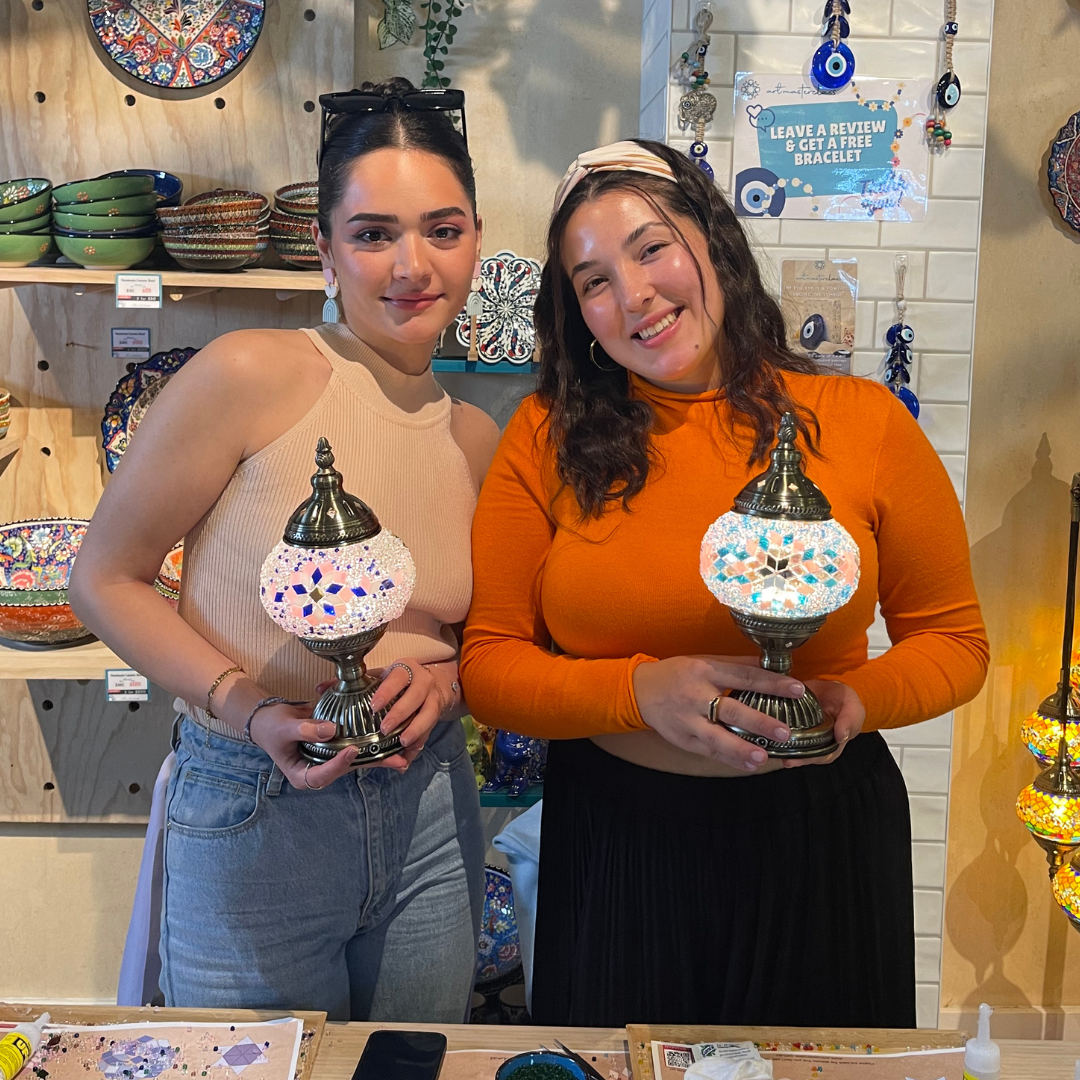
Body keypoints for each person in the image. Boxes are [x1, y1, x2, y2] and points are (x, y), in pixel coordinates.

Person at [460, 140, 989, 1028]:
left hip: (819, 839)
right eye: (593, 281)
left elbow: (955, 641)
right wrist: (639, 693)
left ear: (713, 241)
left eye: (651, 249)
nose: (634, 295)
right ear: (576, 312)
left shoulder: (861, 422)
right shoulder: (546, 436)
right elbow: (490, 666)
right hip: (616, 839)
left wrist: (853, 701)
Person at [69, 78, 500, 1022]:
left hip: (429, 810)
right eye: (374, 234)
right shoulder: (250, 372)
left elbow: (468, 637)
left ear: (477, 240)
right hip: (254, 801)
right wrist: (249, 706)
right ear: (325, 250)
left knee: (408, 1068)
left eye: (443, 230)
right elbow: (103, 577)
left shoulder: (474, 436)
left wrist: (446, 684)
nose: (412, 265)